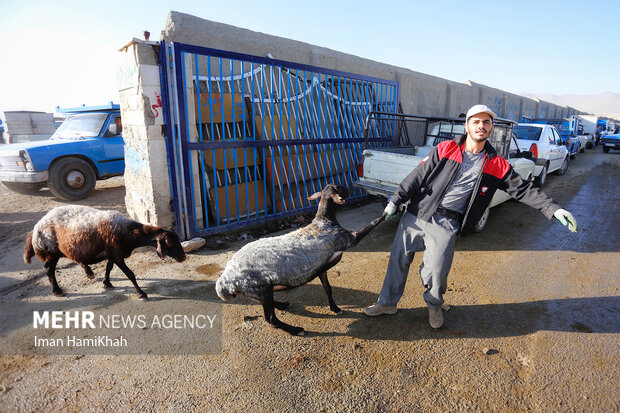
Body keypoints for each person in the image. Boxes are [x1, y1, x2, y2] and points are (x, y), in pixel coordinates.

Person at [363, 104, 578, 328]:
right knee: (398, 260)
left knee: (436, 270)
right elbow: (416, 177)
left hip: (447, 221)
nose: (481, 126)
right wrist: (395, 201)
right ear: (467, 126)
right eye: (475, 121)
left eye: (486, 122)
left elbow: (524, 189)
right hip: (418, 212)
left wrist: (553, 209)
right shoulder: (446, 148)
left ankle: (434, 305)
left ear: (492, 127)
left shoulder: (497, 164)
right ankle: (387, 302)